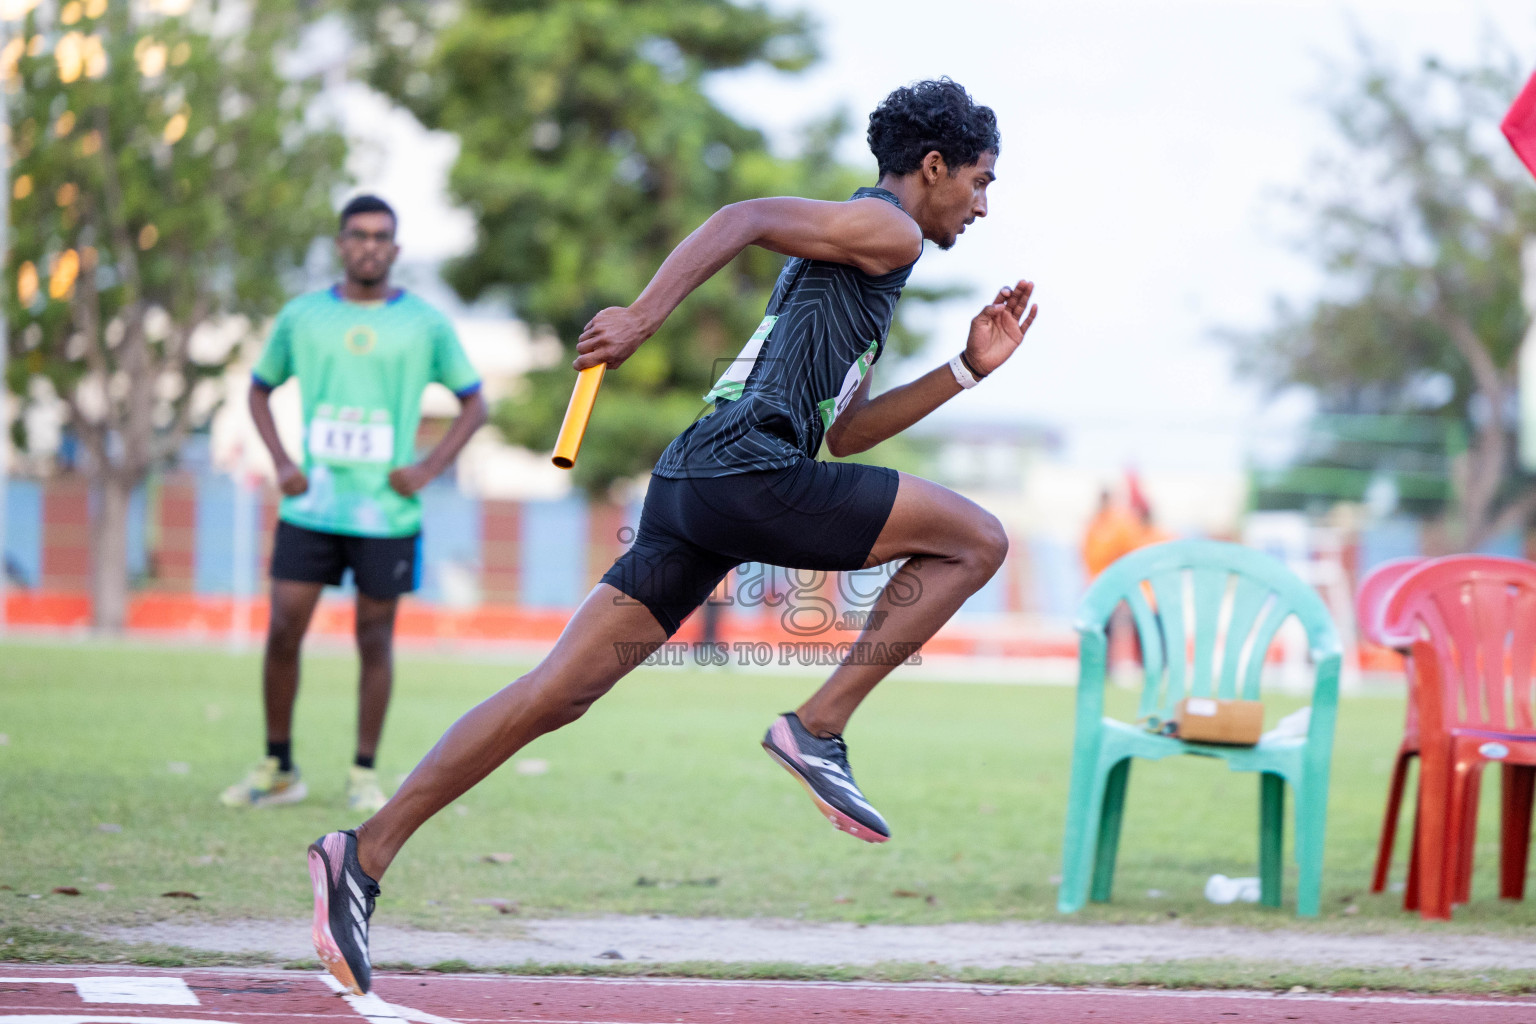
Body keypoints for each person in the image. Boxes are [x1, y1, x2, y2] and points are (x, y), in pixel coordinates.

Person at [306, 80, 1037, 995]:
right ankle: (818, 728)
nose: (982, 204)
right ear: (933, 166)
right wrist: (642, 319)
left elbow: (844, 432)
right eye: (979, 181)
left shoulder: (861, 254)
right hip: (744, 469)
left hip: (695, 479)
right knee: (977, 540)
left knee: (553, 695)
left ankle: (360, 854)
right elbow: (743, 215)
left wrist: (967, 368)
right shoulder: (886, 228)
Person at [221, 195, 487, 813]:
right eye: (358, 235)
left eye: (381, 236)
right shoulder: (303, 317)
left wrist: (427, 469)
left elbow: (474, 402)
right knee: (284, 628)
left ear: (394, 249)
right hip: (311, 507)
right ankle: (278, 766)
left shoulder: (424, 323)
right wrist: (282, 463)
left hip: (386, 515)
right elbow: (259, 390)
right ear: (341, 244)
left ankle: (364, 772)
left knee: (375, 638)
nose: (369, 245)